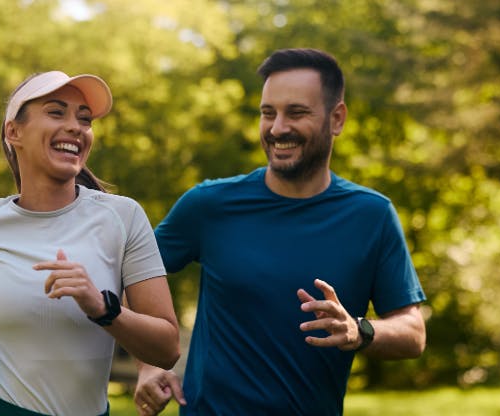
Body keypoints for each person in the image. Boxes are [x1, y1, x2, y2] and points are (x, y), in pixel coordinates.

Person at [134, 48, 427, 415]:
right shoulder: (208, 205)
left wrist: (358, 331)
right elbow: (132, 275)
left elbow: (413, 333)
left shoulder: (373, 215)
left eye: (297, 112)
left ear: (337, 119)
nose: (277, 128)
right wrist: (149, 363)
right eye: (268, 113)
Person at [0, 71, 180, 416]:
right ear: (13, 132)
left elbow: (167, 347)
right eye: (56, 112)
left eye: (84, 118)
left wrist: (103, 308)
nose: (76, 126)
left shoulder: (123, 218)